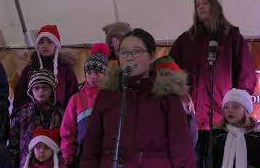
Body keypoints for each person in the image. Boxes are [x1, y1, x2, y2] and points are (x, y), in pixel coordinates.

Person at [80, 28, 196, 168]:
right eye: (123, 52)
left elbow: (182, 150)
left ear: (152, 56)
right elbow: (91, 146)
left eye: (136, 51)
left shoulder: (167, 96)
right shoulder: (107, 94)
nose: (129, 57)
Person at [169, 0, 257, 166]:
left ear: (216, 6)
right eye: (197, 4)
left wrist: (238, 105)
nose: (200, 6)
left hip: (222, 117)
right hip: (190, 117)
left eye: (205, 2)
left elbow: (246, 74)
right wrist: (179, 93)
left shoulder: (232, 37)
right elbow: (168, 69)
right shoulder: (186, 39)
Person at [60, 43, 110, 167]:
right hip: (82, 154)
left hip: (107, 154)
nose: (93, 77)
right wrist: (67, 157)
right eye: (89, 73)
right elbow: (67, 130)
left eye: (98, 73)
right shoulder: (76, 99)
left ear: (105, 74)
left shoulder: (112, 97)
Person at [13, 25, 78, 111]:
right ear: (37, 46)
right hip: (32, 119)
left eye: (49, 42)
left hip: (61, 119)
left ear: (56, 45)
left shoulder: (65, 70)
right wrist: (21, 116)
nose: (45, 45)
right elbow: (19, 97)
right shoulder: (29, 70)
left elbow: (72, 96)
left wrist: (68, 117)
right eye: (41, 42)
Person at [9, 69, 63, 168]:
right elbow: (13, 146)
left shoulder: (60, 113)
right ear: (31, 91)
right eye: (36, 88)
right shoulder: (22, 113)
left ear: (52, 90)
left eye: (45, 88)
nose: (40, 91)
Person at [151, 55, 198, 148]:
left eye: (167, 74)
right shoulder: (185, 96)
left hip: (163, 151)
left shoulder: (153, 96)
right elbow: (192, 131)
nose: (165, 78)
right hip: (182, 150)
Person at [212, 88, 260, 168]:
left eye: (235, 107)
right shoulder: (217, 134)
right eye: (226, 107)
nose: (230, 110)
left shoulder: (256, 136)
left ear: (245, 110)